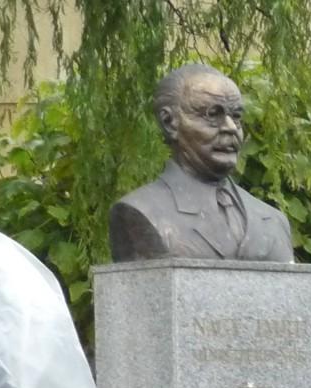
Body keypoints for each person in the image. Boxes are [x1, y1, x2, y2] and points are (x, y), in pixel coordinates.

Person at [109, 64, 294, 263]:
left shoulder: (273, 221)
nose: (231, 127)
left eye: (236, 116)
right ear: (169, 123)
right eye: (212, 115)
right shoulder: (140, 211)